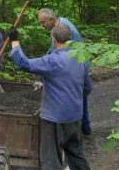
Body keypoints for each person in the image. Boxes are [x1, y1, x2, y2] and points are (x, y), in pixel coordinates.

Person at [8, 24, 97, 170]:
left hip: (54, 117)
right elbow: (87, 87)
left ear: (53, 40)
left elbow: (23, 63)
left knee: (50, 157)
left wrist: (14, 41)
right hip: (74, 115)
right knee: (76, 153)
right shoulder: (79, 59)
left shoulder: (52, 61)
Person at [37, 8, 92, 136]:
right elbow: (55, 51)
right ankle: (84, 127)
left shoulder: (64, 27)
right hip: (75, 62)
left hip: (78, 63)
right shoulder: (58, 26)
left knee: (77, 94)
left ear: (52, 19)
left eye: (43, 22)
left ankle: (82, 127)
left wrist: (42, 74)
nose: (42, 25)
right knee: (77, 94)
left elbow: (62, 55)